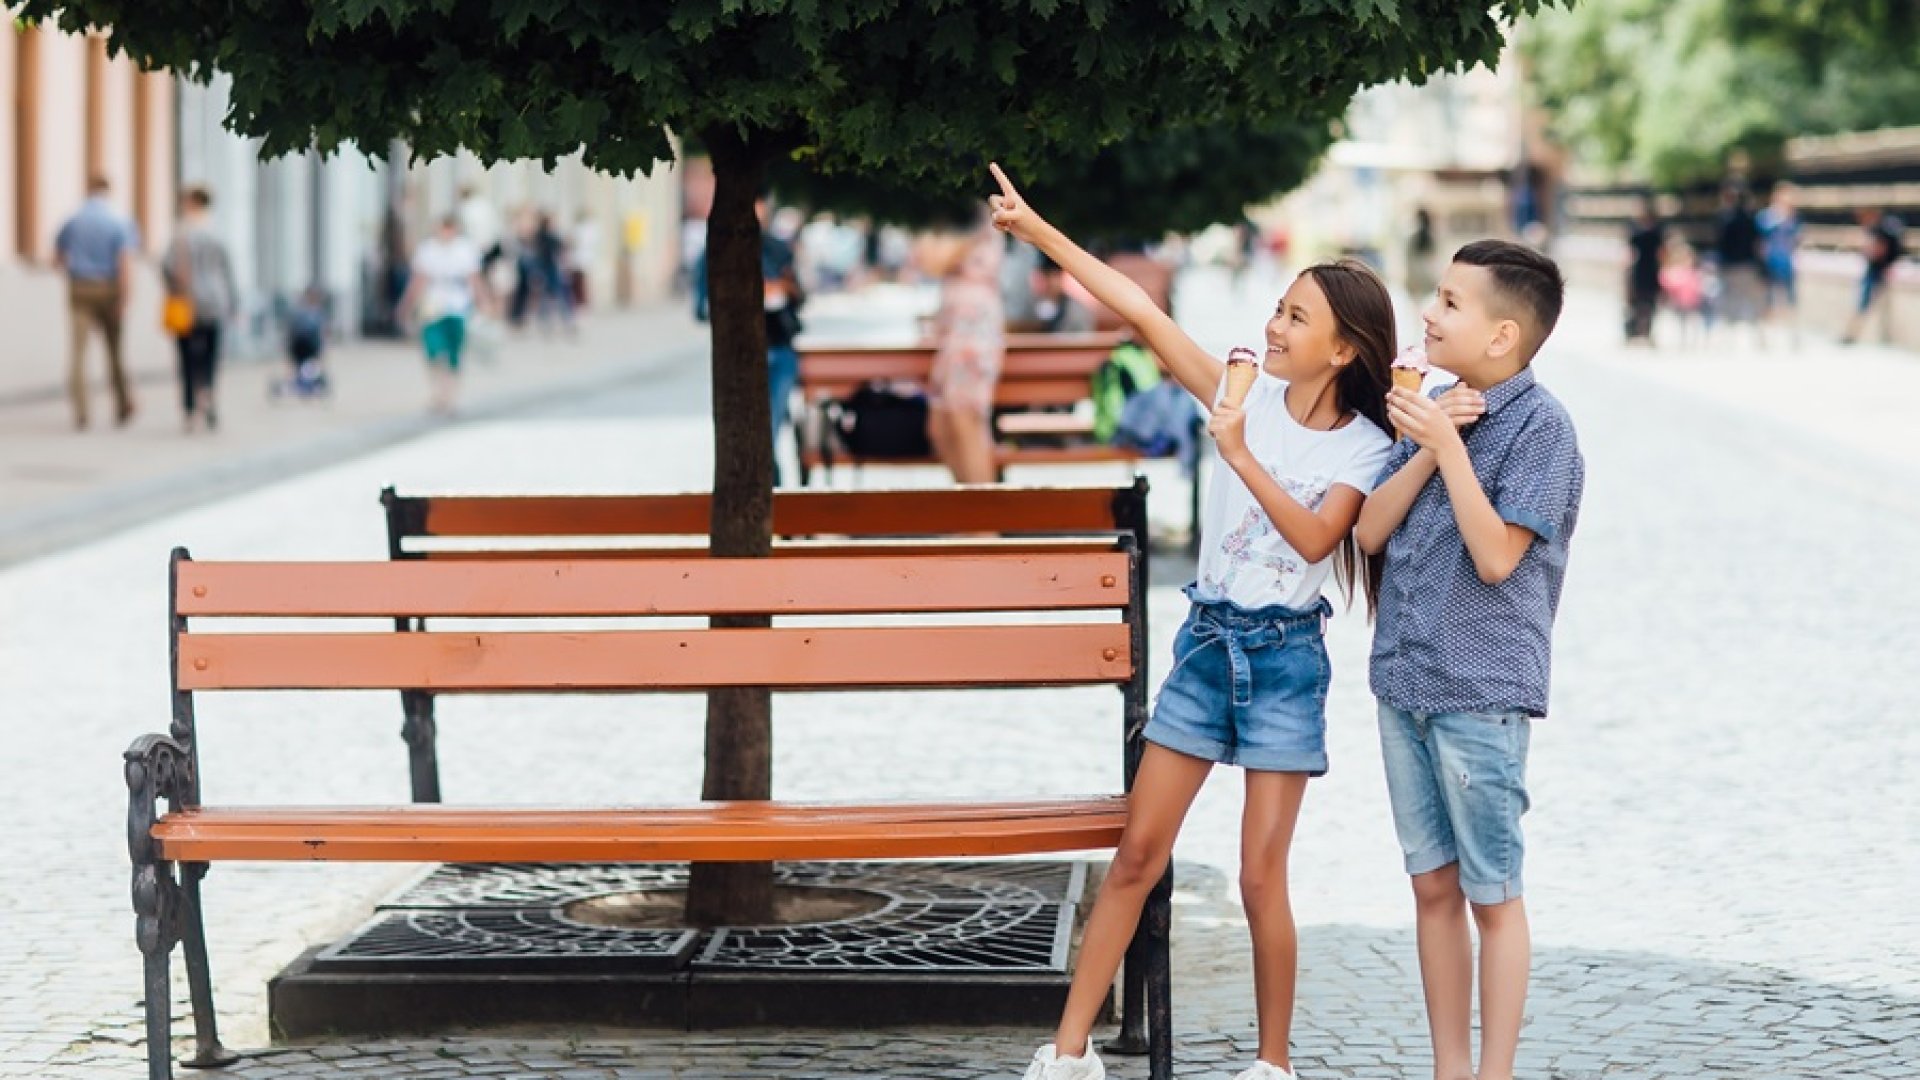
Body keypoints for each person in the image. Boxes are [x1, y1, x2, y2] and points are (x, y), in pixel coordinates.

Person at [990, 163, 1475, 1080]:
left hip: (1286, 659)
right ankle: (1066, 1053)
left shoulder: (1368, 446)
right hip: (1208, 645)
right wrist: (1037, 228)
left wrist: (1239, 450)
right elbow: (1142, 311)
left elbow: (1314, 540)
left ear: (1342, 351)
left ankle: (1272, 1066)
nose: (1273, 325)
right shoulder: (1235, 389)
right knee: (1136, 854)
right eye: (1279, 308)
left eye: (1296, 317)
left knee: (1260, 879)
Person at [1355, 240, 1584, 1080]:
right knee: (1431, 889)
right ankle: (1450, 1069)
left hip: (1480, 690)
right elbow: (1370, 532)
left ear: (1502, 336)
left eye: (1450, 302)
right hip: (1403, 680)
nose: (1427, 313)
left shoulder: (1543, 429)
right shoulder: (1439, 404)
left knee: (1492, 894)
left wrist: (1449, 450)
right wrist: (1428, 438)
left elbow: (1495, 558)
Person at [54, 175, 141, 430]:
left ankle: (81, 411)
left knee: (78, 353)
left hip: (79, 287)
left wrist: (72, 272)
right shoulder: (120, 221)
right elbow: (125, 262)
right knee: (114, 352)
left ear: (88, 189)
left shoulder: (73, 220)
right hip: (108, 287)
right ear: (108, 191)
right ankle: (123, 404)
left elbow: (57, 256)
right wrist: (125, 298)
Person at [925, 229, 1007, 485]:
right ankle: (970, 513)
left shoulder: (972, 215)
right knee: (941, 427)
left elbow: (933, 259)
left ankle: (982, 521)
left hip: (971, 332)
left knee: (966, 425)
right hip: (955, 332)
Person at [160, 186, 238, 433]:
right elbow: (228, 271)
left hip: (188, 302)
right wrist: (234, 302)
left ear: (191, 203)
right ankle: (208, 393)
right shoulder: (217, 232)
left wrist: (173, 289)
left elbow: (166, 266)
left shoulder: (181, 234)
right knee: (210, 355)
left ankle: (190, 409)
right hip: (215, 301)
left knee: (186, 358)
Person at [401, 215, 489, 414]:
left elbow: (474, 279)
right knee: (433, 351)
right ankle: (437, 392)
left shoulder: (465, 250)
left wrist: (482, 301)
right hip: (432, 305)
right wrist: (406, 305)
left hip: (457, 305)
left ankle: (451, 395)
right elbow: (418, 280)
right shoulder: (428, 250)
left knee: (454, 353)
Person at [1841, 208, 1905, 345]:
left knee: (1866, 303)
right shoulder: (1882, 229)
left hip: (1877, 271)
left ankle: (1853, 334)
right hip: (1877, 270)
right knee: (1868, 303)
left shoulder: (1880, 231)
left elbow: (1880, 250)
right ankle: (1853, 333)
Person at [1711, 185, 1764, 346]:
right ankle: (1755, 336)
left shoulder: (1725, 218)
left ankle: (1730, 337)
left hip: (1732, 266)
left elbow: (1720, 244)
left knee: (1731, 300)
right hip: (1745, 265)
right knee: (1749, 300)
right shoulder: (1750, 218)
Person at [1757, 183, 1801, 346]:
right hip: (1771, 262)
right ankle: (1765, 334)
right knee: (1769, 299)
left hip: (1787, 261)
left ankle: (1792, 334)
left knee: (1790, 298)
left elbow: (1796, 239)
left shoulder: (1793, 218)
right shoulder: (1767, 217)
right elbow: (1761, 239)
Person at [277, 286, 331, 400]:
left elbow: (323, 333)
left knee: (307, 368)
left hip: (308, 347)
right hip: (301, 346)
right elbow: (290, 330)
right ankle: (301, 385)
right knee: (301, 369)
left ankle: (305, 385)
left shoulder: (316, 313)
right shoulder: (303, 312)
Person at [1623, 197, 1664, 346]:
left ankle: (1647, 332)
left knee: (1650, 303)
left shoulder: (1657, 230)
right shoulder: (1635, 229)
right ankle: (1634, 332)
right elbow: (1629, 251)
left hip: (1651, 270)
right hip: (1639, 270)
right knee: (1636, 303)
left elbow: (1661, 252)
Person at [1405, 207, 1440, 303]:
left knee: (1417, 305)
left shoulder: (1413, 238)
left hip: (1416, 277)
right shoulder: (1432, 238)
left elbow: (1410, 260)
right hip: (1427, 277)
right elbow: (1434, 259)